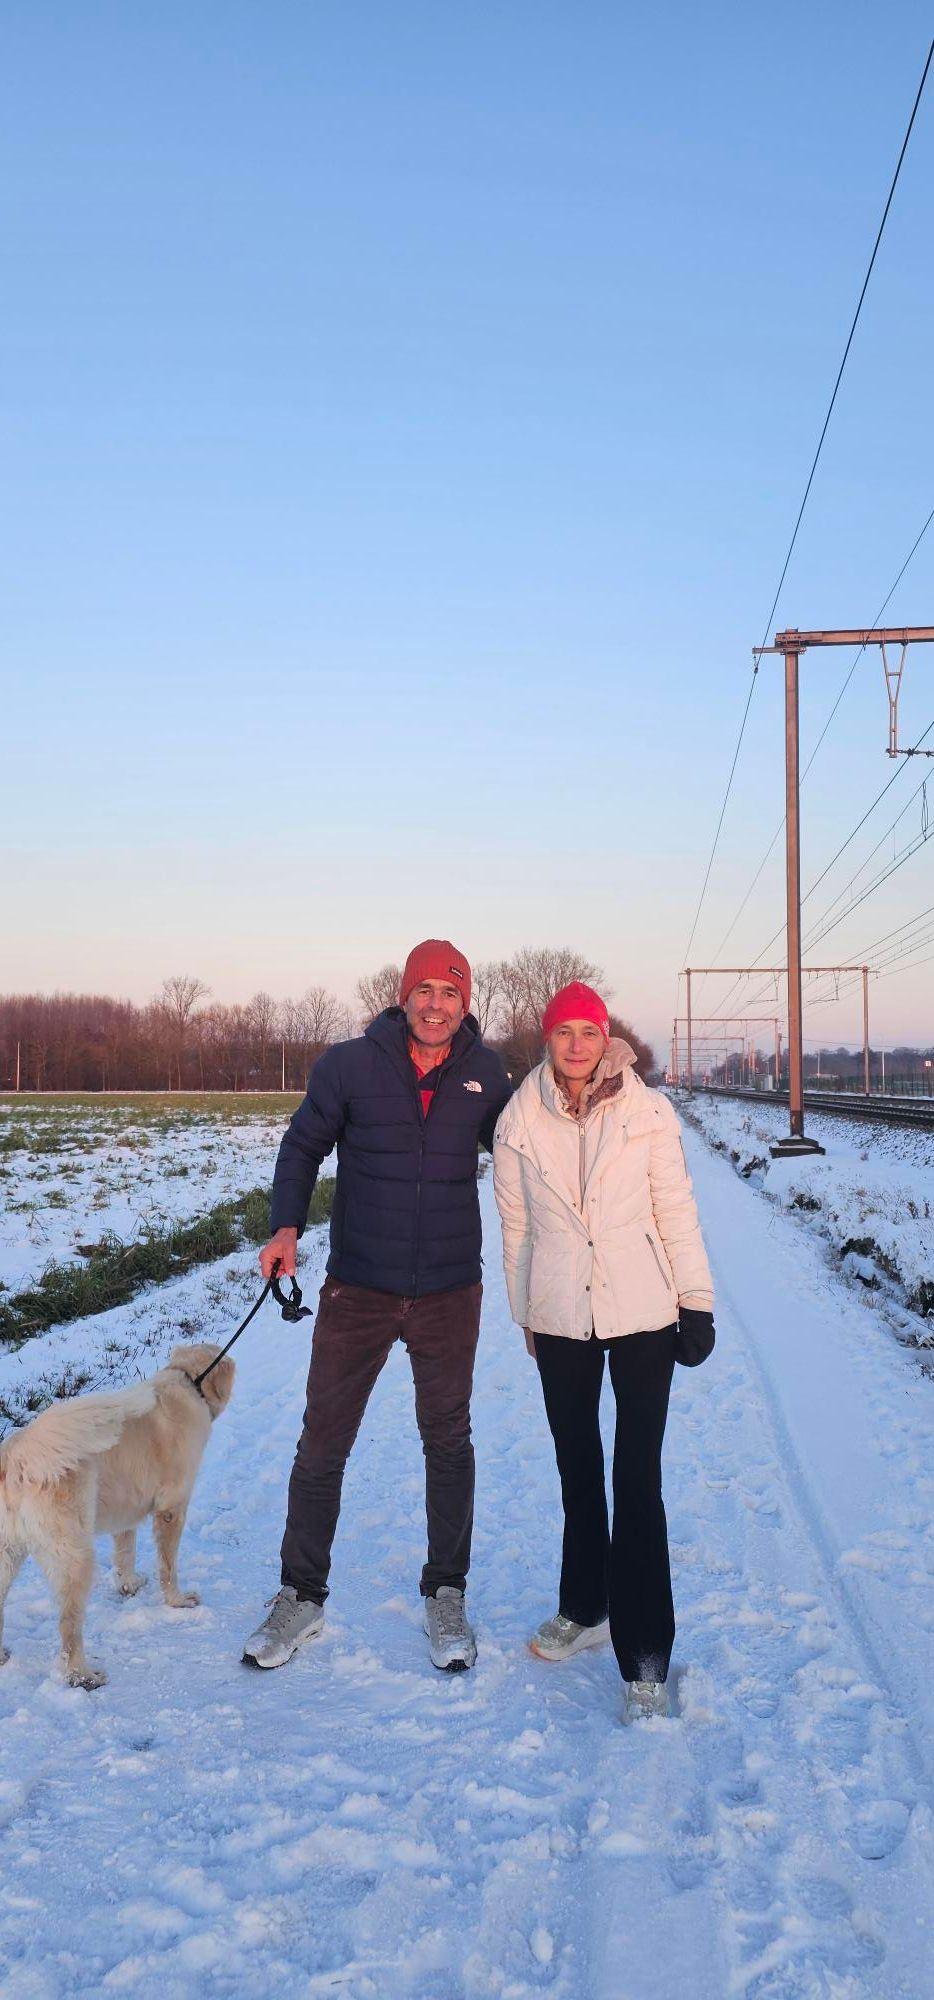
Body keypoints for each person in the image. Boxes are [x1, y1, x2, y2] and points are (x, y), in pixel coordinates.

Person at [243, 940, 512, 1674]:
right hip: (359, 1286)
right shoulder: (349, 1065)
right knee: (322, 1443)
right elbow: (302, 1146)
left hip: (449, 1289)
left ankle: (446, 1592)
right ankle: (300, 1594)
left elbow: (529, 1152)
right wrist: (286, 1227)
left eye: (449, 993)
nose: (435, 1005)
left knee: (448, 1441)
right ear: (403, 996)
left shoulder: (487, 1074)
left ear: (465, 1004)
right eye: (424, 990)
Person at [492, 982, 714, 1719]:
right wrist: (526, 1312)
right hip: (560, 1310)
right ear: (547, 1039)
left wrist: (696, 1300)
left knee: (636, 1477)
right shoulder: (518, 1119)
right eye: (564, 1032)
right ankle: (586, 1607)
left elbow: (674, 1208)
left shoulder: (647, 1112)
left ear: (606, 1037)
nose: (577, 1045)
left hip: (643, 1307)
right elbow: (517, 1229)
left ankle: (646, 1655)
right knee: (578, 1468)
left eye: (589, 1031)